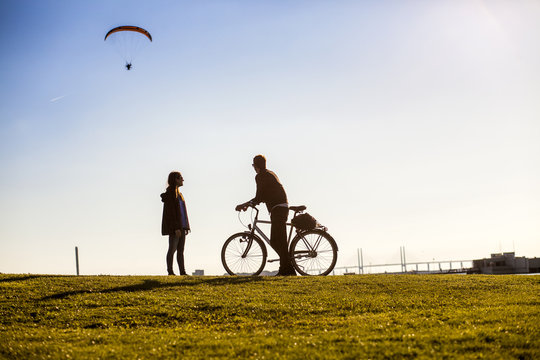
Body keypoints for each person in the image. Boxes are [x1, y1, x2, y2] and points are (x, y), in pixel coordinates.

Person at [236, 155, 296, 276]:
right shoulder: (270, 173)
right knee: (280, 241)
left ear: (256, 166)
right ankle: (286, 268)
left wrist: (245, 204)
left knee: (276, 241)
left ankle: (287, 267)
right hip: (281, 207)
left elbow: (259, 197)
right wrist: (250, 203)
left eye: (253, 166)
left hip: (278, 209)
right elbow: (263, 196)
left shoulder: (260, 176)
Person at [161, 171, 190, 275]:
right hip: (175, 227)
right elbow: (171, 214)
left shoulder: (180, 194)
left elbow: (182, 212)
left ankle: (182, 272)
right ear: (175, 179)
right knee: (172, 249)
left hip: (182, 226)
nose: (182, 179)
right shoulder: (171, 194)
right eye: (180, 177)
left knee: (181, 251)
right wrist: (176, 228)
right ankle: (170, 271)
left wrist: (186, 227)